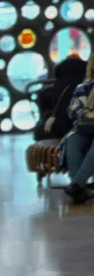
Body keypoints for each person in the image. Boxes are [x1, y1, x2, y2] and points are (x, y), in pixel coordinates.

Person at [35, 55, 88, 141]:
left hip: (54, 133)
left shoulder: (50, 91)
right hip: (82, 133)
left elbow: (44, 112)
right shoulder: (87, 88)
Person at [64, 56, 94, 204]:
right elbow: (72, 109)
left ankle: (77, 185)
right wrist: (85, 113)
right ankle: (79, 188)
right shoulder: (83, 88)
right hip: (85, 126)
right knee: (72, 140)